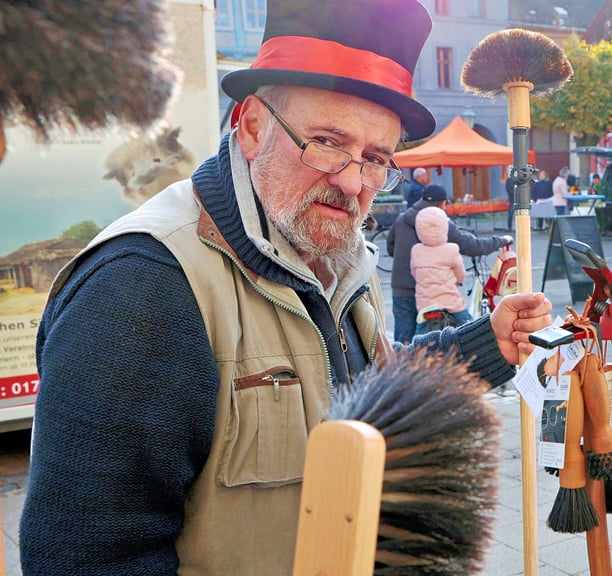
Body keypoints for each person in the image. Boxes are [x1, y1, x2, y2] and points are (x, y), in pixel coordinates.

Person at [18, 1, 552, 573]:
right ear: (251, 126)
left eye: (376, 158)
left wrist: (485, 346)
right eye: (326, 141)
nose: (352, 182)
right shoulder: (140, 289)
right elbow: (87, 556)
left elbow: (354, 387)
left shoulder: (332, 249)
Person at [389, 184, 512, 344]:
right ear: (443, 204)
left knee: (403, 342)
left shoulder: (401, 219)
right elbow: (471, 246)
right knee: (460, 332)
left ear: (421, 199)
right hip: (435, 293)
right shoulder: (441, 223)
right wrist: (500, 241)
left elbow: (390, 248)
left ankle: (401, 367)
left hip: (402, 287)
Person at [411, 206, 472, 333]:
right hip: (451, 303)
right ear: (444, 227)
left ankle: (415, 351)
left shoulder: (416, 250)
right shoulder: (452, 249)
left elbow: (414, 272)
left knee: (420, 336)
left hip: (426, 305)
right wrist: (459, 280)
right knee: (469, 328)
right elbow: (460, 274)